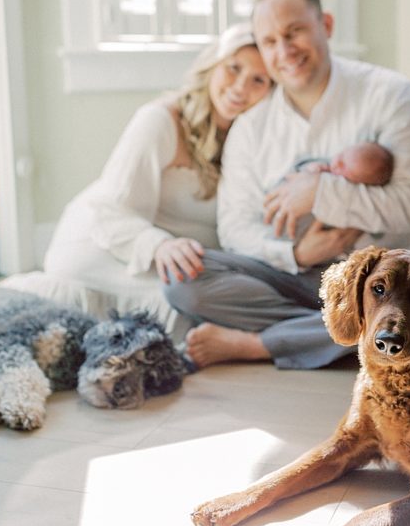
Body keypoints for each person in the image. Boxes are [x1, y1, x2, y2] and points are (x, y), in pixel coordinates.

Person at [164, 0, 410, 369]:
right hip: (288, 276)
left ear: (325, 26)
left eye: (294, 32)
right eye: (270, 41)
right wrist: (296, 253)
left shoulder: (392, 96)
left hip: (377, 280)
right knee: (185, 284)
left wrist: (320, 190)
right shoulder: (252, 125)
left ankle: (259, 344)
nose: (285, 51)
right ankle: (355, 334)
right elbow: (233, 227)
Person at [40, 23, 273, 341]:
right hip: (103, 242)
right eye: (233, 69)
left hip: (181, 259)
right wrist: (158, 244)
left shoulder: (252, 138)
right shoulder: (160, 120)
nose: (240, 87)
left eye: (258, 80)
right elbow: (110, 208)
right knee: (185, 309)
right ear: (212, 66)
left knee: (223, 296)